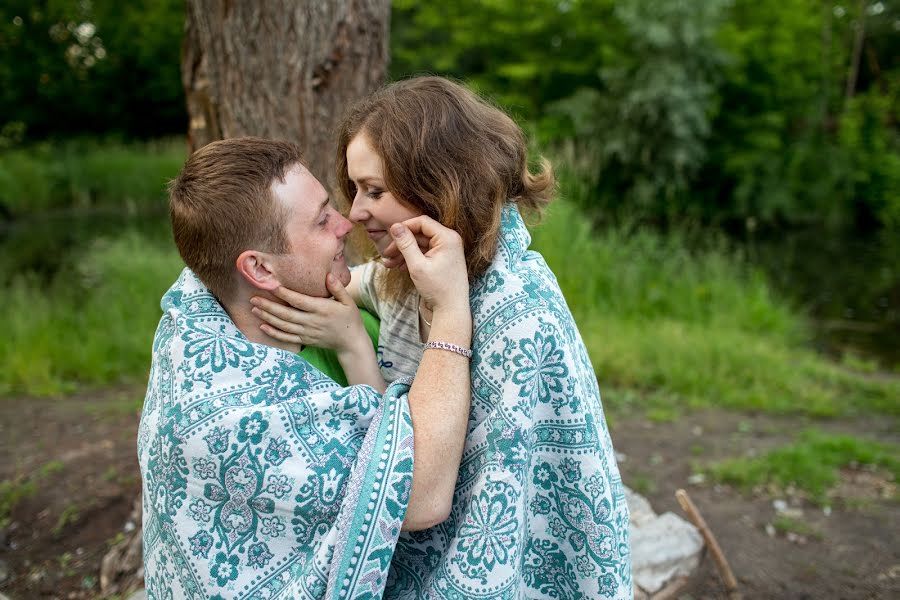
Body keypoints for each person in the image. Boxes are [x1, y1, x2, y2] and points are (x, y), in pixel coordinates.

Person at [253, 77, 632, 598]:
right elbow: (354, 289)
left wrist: (356, 346)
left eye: (375, 191)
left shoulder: (515, 312)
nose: (355, 212)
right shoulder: (401, 276)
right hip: (418, 516)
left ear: (439, 185)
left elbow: (478, 496)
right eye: (356, 188)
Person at [138, 137, 475, 599]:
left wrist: (356, 337)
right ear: (259, 269)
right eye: (321, 220)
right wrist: (451, 308)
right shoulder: (227, 416)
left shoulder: (308, 310)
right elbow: (418, 498)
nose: (345, 223)